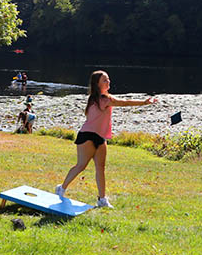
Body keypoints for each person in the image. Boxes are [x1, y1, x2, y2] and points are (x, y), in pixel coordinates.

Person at [55, 70, 157, 208]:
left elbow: (122, 102)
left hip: (100, 138)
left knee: (100, 168)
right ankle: (61, 188)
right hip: (87, 136)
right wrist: (144, 102)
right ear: (97, 84)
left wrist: (144, 102)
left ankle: (102, 199)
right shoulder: (102, 99)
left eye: (108, 79)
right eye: (104, 80)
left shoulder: (104, 98)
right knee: (81, 165)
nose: (108, 81)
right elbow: (125, 102)